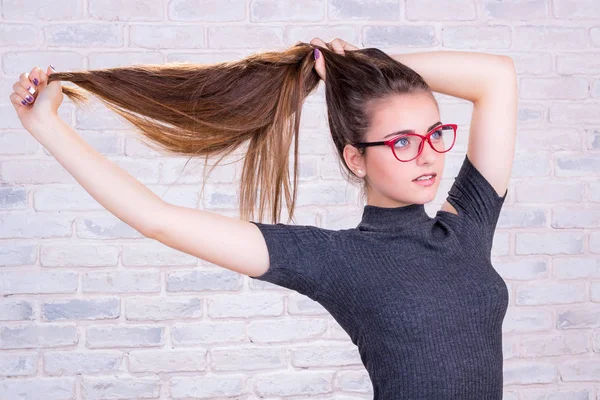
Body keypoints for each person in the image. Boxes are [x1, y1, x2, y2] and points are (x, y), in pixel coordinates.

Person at [8, 37, 517, 399]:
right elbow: (155, 218)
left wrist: (351, 68)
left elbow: (497, 78)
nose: (428, 156)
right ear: (354, 159)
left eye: (434, 135)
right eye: (402, 142)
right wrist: (45, 126)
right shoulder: (339, 260)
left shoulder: (466, 227)